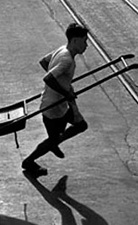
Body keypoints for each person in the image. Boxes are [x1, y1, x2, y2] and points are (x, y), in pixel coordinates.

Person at [21, 23, 90, 178]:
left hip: (58, 106)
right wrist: (66, 92)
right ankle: (29, 161)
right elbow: (48, 78)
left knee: (80, 125)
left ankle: (55, 142)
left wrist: (62, 82)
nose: (86, 45)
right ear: (74, 41)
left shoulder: (62, 50)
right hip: (53, 109)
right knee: (57, 138)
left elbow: (44, 62)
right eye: (84, 41)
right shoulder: (67, 60)